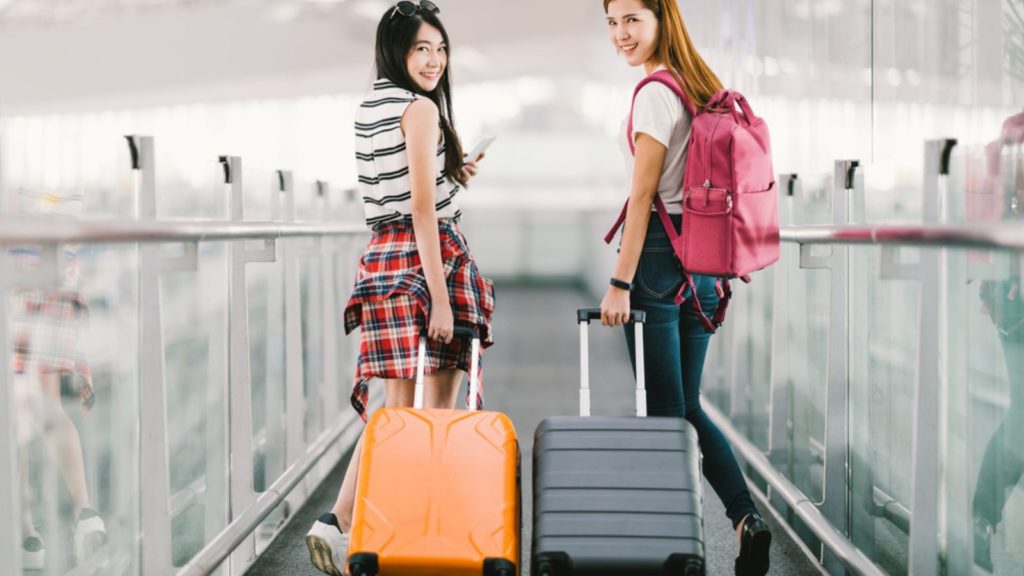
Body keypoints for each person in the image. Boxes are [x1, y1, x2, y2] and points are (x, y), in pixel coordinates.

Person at [305, 2, 494, 574]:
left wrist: (452, 176)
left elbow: (400, 188)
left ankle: (339, 521)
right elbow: (420, 209)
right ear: (397, 51)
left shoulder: (371, 106)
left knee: (395, 411)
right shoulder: (419, 110)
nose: (434, 61)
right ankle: (414, 532)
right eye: (421, 49)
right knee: (434, 408)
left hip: (381, 261)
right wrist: (439, 295)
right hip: (426, 260)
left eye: (440, 49)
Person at [599, 1, 771, 574]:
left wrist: (620, 282)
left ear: (660, 19)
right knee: (686, 406)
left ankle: (676, 544)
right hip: (703, 265)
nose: (621, 34)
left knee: (664, 414)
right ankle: (747, 519)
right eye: (612, 23)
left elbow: (642, 197)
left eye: (631, 20)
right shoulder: (701, 83)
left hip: (654, 262)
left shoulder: (654, 92)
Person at [10, 238, 107, 570]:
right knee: (48, 404)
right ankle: (85, 512)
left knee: (12, 410)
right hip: (59, 273)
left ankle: (25, 533)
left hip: (13, 273)